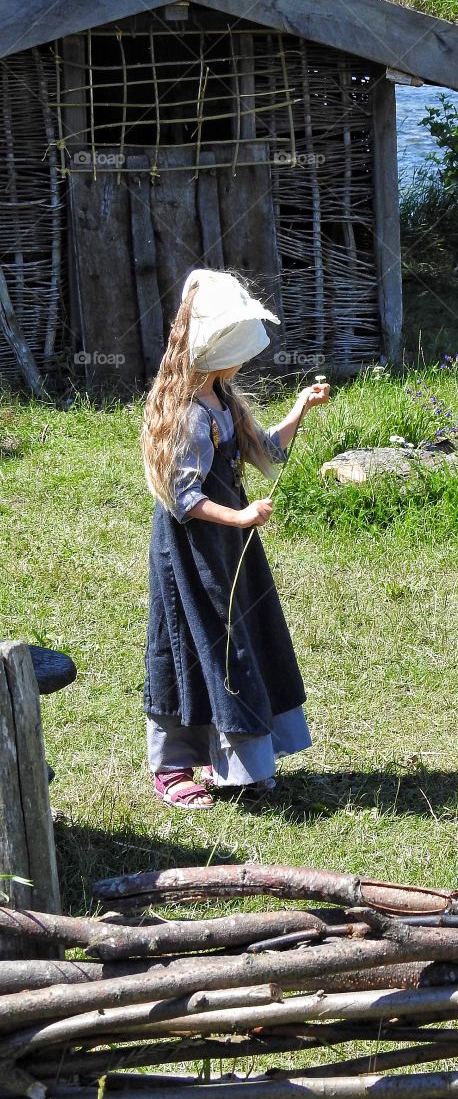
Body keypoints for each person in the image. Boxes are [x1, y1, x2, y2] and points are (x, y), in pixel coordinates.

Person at [140, 268, 330, 808]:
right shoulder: (186, 416)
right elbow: (184, 498)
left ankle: (241, 764)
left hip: (230, 553)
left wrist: (299, 409)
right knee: (193, 644)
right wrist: (241, 517)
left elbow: (264, 451)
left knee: (238, 645)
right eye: (235, 348)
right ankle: (175, 765)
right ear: (209, 348)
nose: (242, 360)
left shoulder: (223, 401)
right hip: (192, 552)